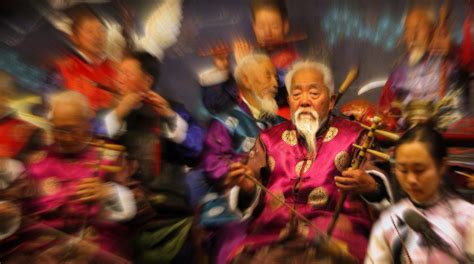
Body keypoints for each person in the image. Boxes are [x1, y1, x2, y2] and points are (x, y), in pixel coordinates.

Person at [220, 60, 391, 262]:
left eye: (314, 93)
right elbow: (250, 186)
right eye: (296, 94)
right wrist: (247, 188)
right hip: (272, 234)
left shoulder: (355, 137)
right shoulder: (269, 139)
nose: (304, 101)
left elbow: (377, 180)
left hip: (334, 234)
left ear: (332, 100)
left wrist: (370, 186)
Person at [5, 91, 136, 263]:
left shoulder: (109, 156)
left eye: (71, 130)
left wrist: (108, 192)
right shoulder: (36, 159)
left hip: (93, 248)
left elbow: (138, 204)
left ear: (87, 124)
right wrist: (7, 209)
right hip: (39, 248)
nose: (64, 138)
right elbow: (13, 199)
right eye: (57, 129)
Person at [103, 51, 204, 263]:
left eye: (127, 73)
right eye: (118, 73)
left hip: (171, 210)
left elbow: (196, 151)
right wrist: (119, 112)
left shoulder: (172, 109)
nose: (119, 78)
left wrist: (168, 116)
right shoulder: (109, 114)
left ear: (147, 80)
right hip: (125, 213)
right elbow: (93, 146)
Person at [196, 53, 285, 264]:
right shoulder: (225, 121)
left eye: (275, 77)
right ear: (245, 80)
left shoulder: (281, 123)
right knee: (237, 245)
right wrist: (245, 170)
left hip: (281, 202)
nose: (275, 84)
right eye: (267, 76)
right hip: (235, 205)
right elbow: (214, 164)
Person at [365, 124, 474, 263]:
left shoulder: (466, 217)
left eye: (419, 170)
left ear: (441, 166)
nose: (411, 180)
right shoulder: (389, 222)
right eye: (403, 170)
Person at [199, 0, 299, 119]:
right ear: (254, 28)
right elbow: (217, 107)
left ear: (285, 26)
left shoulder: (293, 64)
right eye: (261, 27)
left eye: (274, 26)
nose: (267, 33)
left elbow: (273, 104)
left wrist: (247, 67)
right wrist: (222, 70)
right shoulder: (254, 54)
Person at [378, 7, 466, 130]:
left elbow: (466, 65)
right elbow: (385, 107)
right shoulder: (399, 69)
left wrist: (453, 51)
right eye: (408, 30)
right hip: (408, 133)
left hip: (446, 134)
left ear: (432, 30)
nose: (413, 36)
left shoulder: (449, 58)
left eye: (418, 28)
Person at [53, 5, 116, 110]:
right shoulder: (63, 69)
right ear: (75, 37)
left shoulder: (115, 68)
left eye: (101, 30)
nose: (97, 36)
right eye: (89, 31)